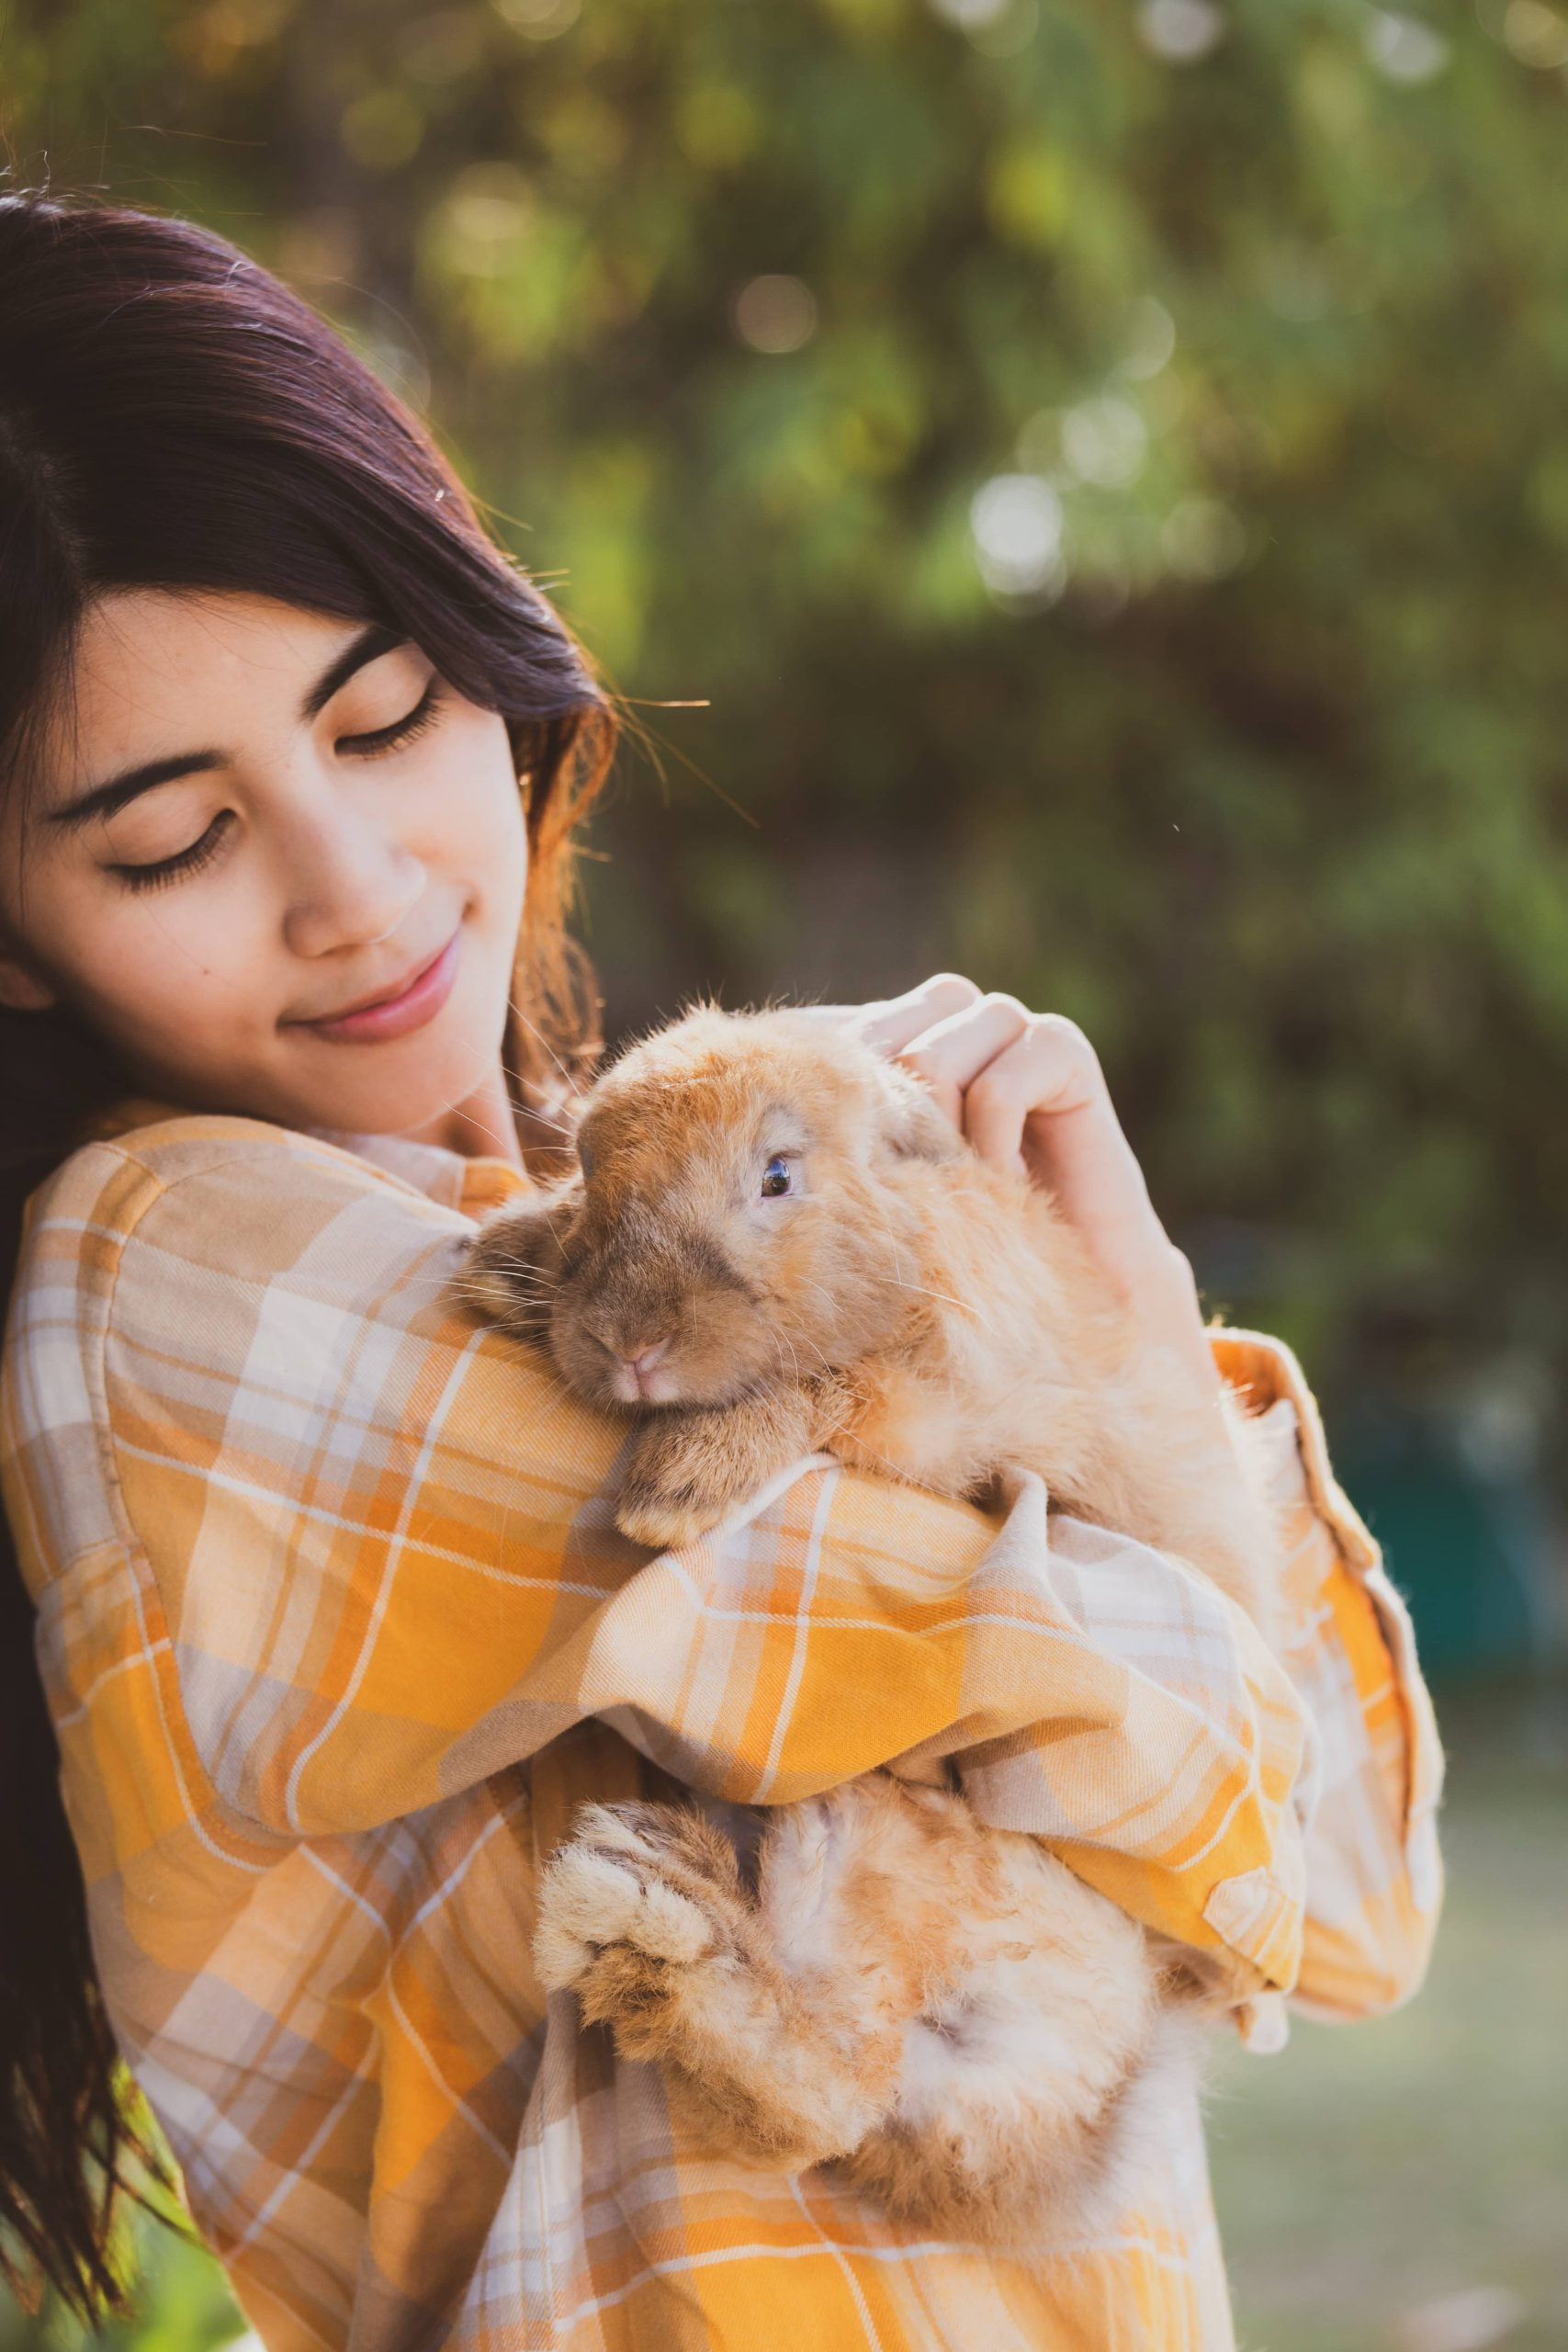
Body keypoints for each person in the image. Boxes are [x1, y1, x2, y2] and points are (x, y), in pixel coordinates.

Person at [0, 188, 1442, 2352]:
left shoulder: (593, 1228)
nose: (356, 886)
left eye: (384, 714)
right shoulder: (169, 1278)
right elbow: (1205, 1770)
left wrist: (1118, 1291)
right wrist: (1073, 1384)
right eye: (174, 839)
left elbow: (1338, 1905)